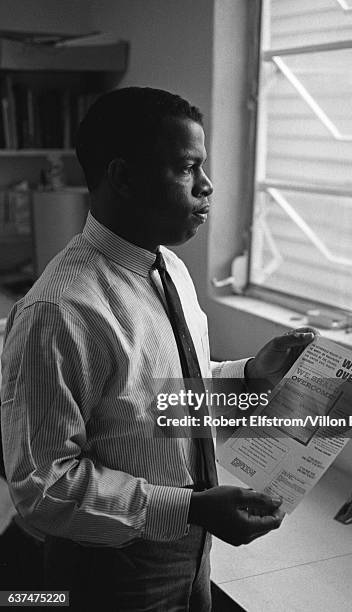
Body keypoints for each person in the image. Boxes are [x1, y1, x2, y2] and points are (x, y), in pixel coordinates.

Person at [0, 87, 315, 611]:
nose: (207, 186)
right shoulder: (59, 312)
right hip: (111, 569)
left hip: (190, 549)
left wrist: (248, 378)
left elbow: (158, 401)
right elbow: (44, 489)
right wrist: (190, 508)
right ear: (123, 177)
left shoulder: (168, 268)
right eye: (188, 168)